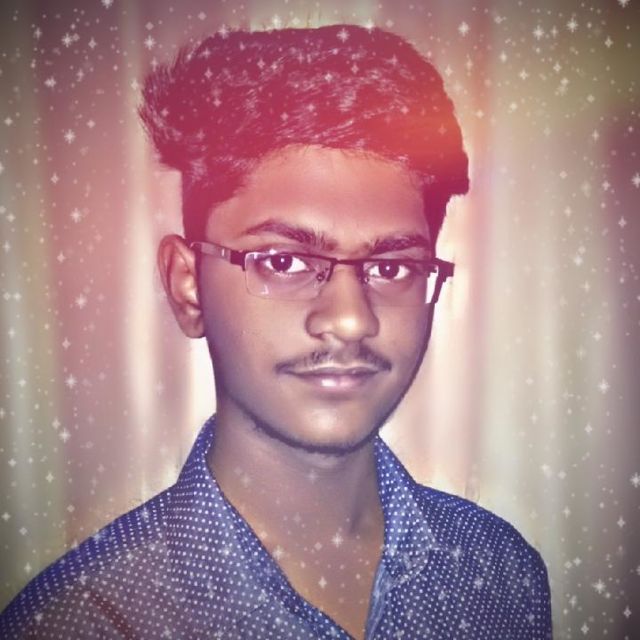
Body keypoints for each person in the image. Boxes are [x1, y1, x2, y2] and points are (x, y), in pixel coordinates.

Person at [0, 24, 552, 639]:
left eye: (392, 267)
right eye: (284, 261)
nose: (350, 319)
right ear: (188, 285)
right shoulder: (78, 622)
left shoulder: (500, 574)